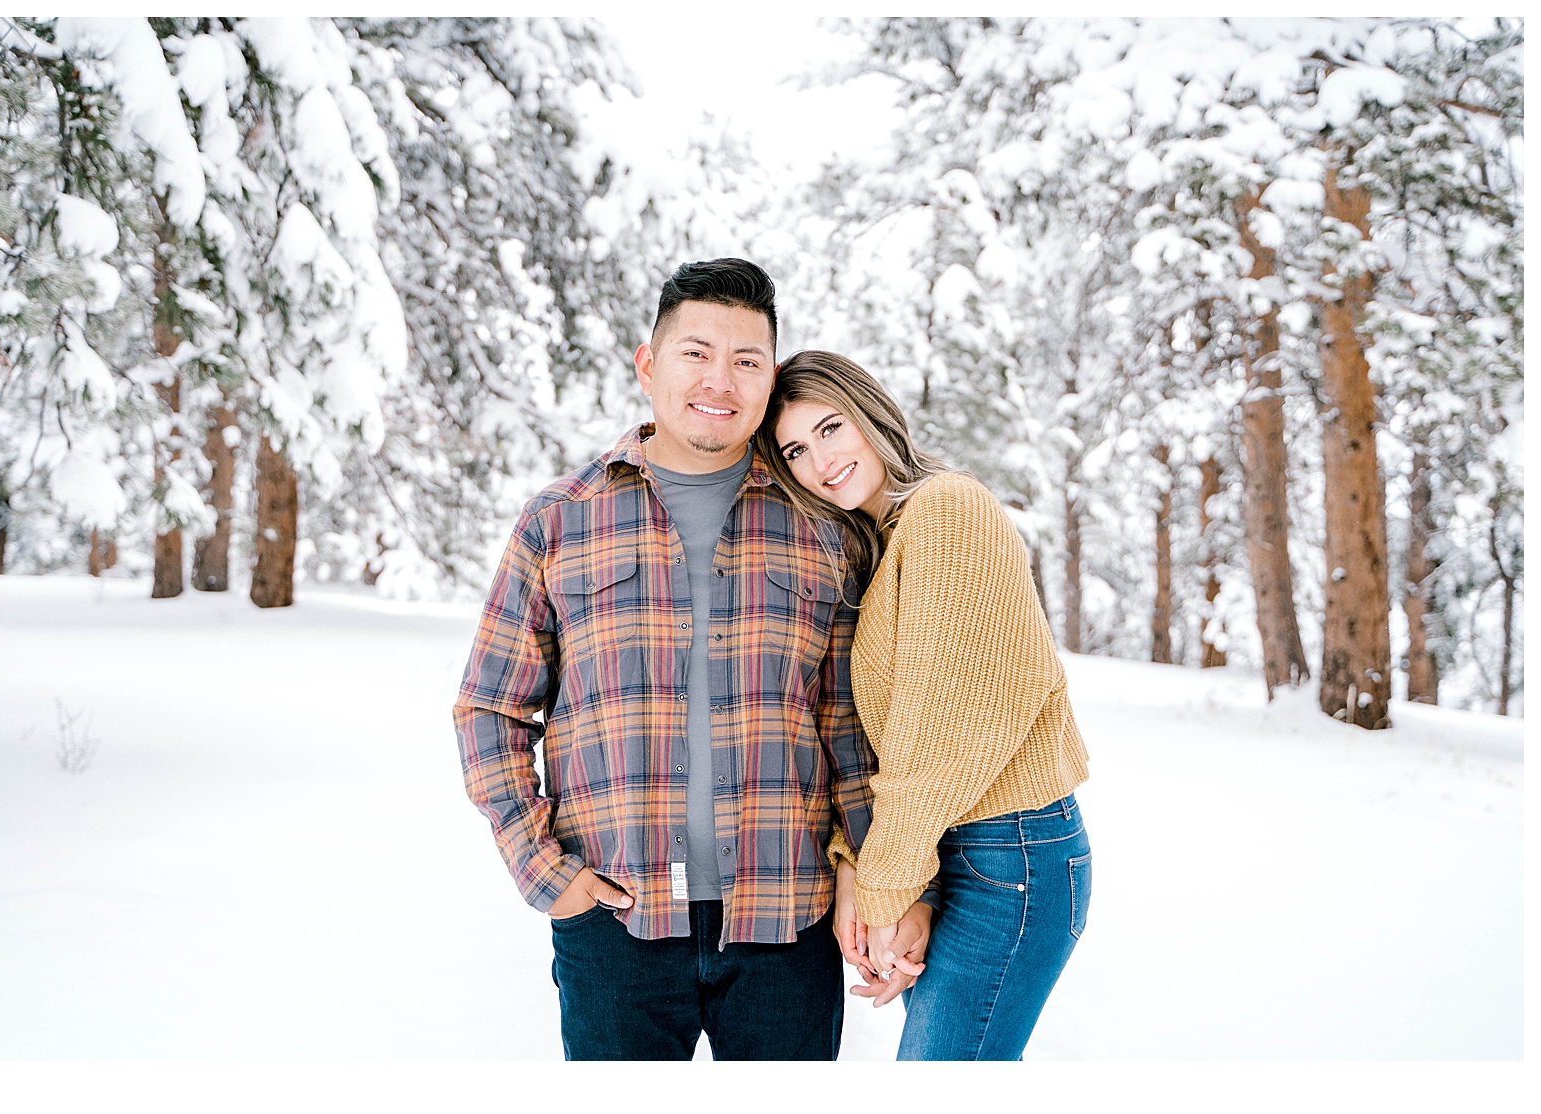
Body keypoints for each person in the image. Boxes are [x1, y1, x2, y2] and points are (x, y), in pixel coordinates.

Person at [452, 260, 875, 1061]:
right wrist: (545, 869)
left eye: (747, 360)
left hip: (789, 921)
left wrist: (863, 870)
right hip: (617, 922)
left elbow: (849, 726)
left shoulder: (823, 528)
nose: (720, 379)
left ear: (770, 378)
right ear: (648, 365)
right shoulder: (560, 521)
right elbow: (489, 708)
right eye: (695, 353)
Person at [757, 349, 1093, 1061]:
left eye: (831, 428)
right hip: (952, 850)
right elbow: (883, 735)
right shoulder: (884, 543)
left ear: (871, 414)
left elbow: (941, 737)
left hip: (1013, 853)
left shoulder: (947, 511)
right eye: (795, 449)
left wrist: (884, 889)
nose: (820, 460)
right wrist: (867, 862)